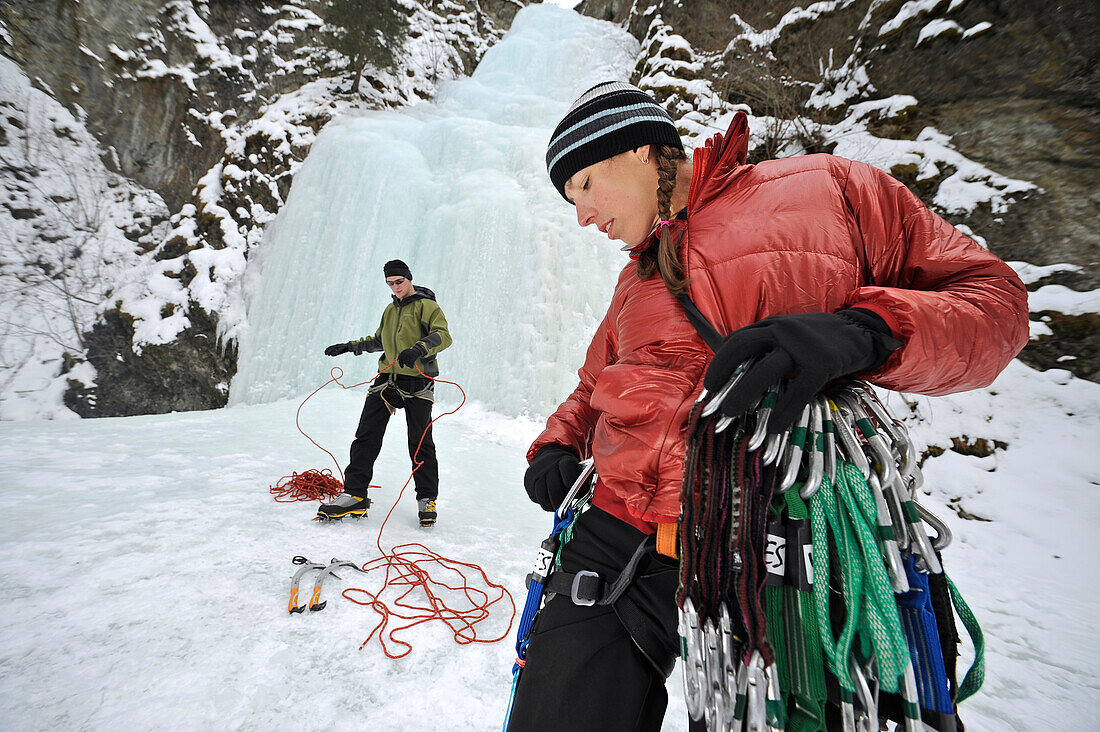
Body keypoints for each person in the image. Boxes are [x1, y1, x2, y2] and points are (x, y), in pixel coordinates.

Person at [506, 81, 1029, 730]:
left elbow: (995, 304)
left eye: (583, 185)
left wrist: (869, 331)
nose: (581, 216)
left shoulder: (828, 189)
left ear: (640, 150)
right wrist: (556, 443)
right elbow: (594, 386)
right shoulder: (636, 279)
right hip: (620, 538)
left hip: (776, 543)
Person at [319, 259, 452, 527]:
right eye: (390, 284)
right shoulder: (390, 310)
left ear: (409, 278)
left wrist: (419, 348)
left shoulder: (428, 306)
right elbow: (379, 340)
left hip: (418, 383)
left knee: (420, 442)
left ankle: (427, 499)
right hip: (387, 380)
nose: (395, 287)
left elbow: (443, 336)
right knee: (366, 436)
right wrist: (348, 347)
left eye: (399, 282)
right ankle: (355, 495)